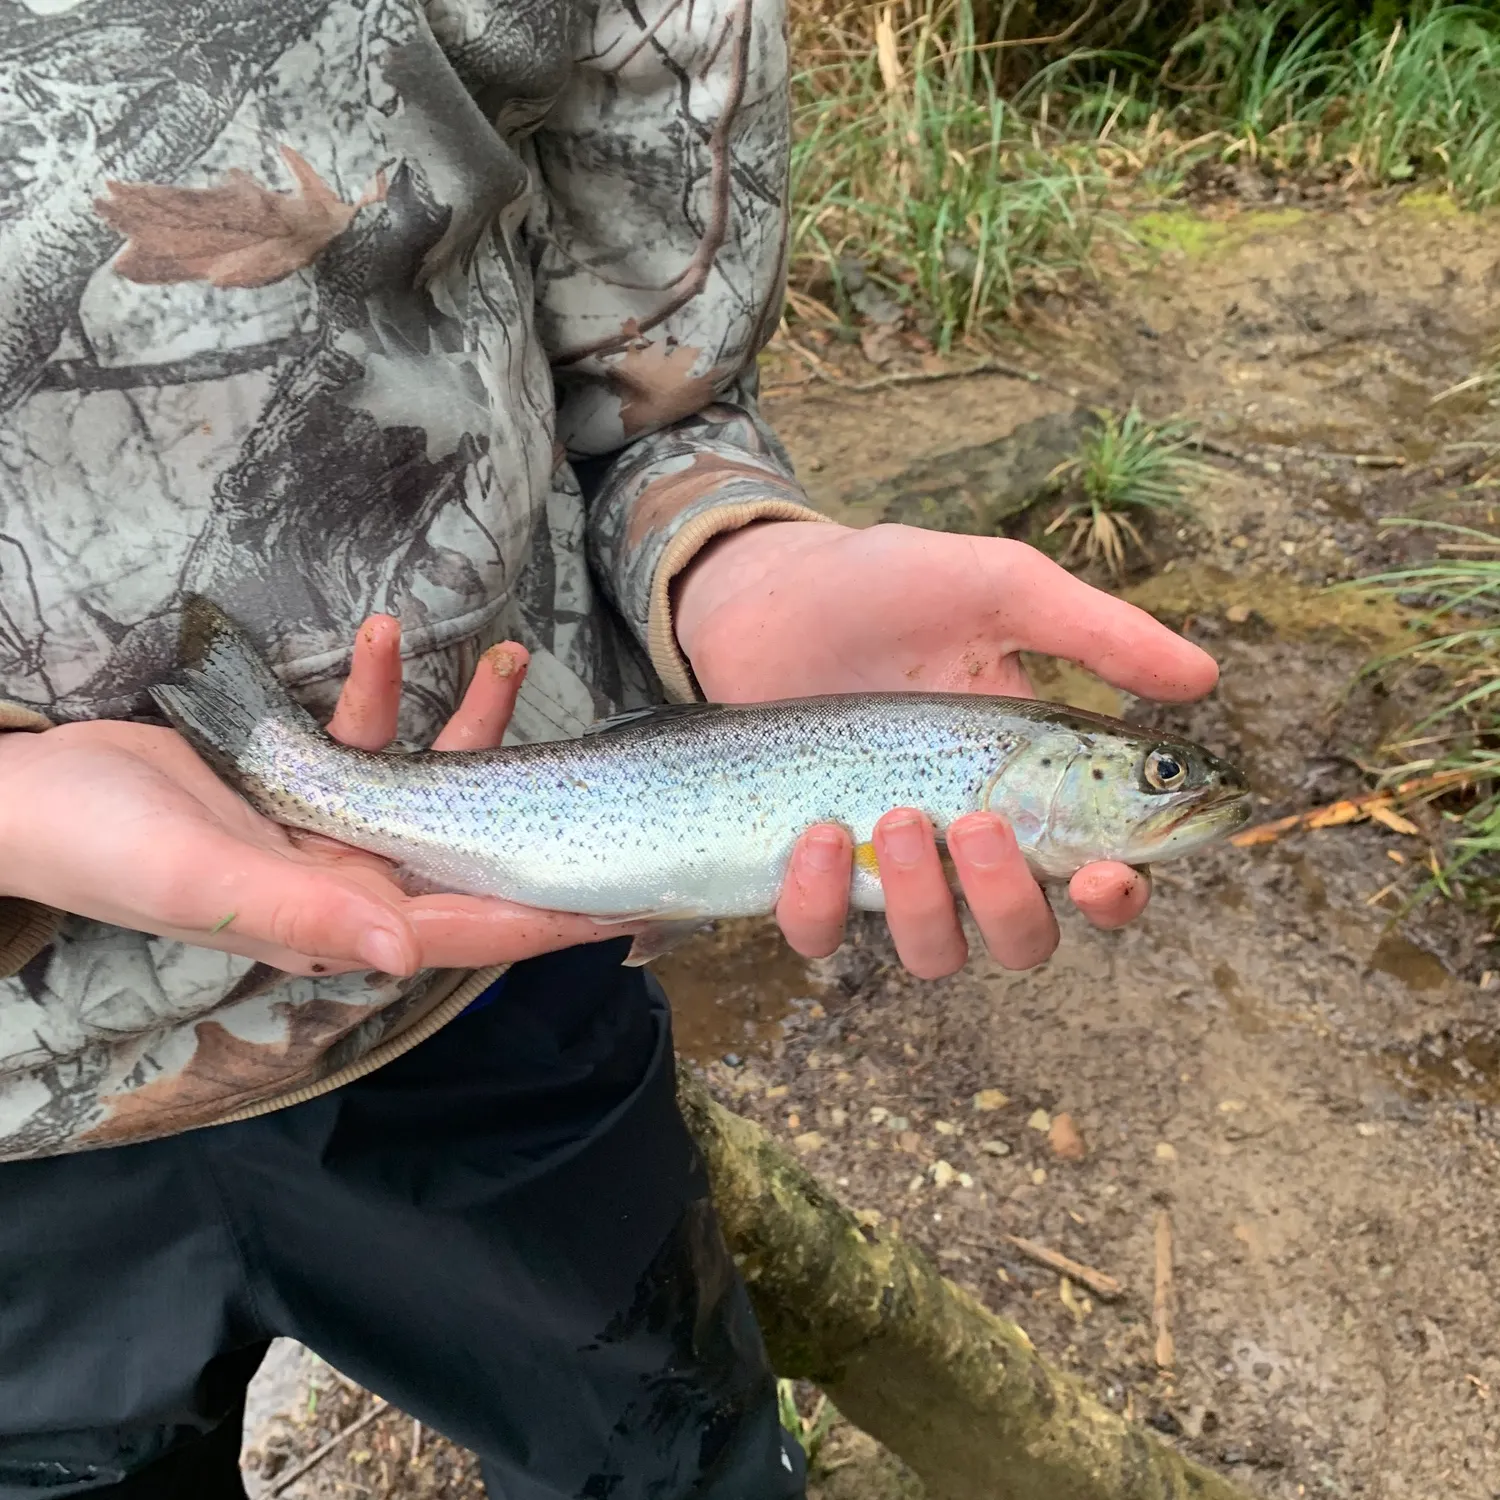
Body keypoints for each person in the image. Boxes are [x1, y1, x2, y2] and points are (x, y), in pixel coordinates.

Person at [0, 0, 1218, 1495]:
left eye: (1158, 776)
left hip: (490, 1005)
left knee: (672, 1457)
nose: (1176, 792)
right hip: (19, 1125)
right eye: (1157, 775)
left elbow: (649, 389)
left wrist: (722, 552)